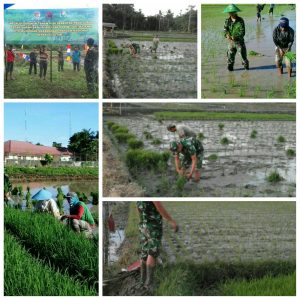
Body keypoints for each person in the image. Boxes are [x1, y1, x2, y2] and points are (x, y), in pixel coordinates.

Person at [137, 201, 178, 292]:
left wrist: (142, 222)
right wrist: (171, 221)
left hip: (143, 226)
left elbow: (138, 209)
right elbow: (160, 208)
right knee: (152, 252)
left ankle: (142, 281)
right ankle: (149, 284)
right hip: (153, 227)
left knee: (144, 251)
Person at [223, 4, 249, 71]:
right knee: (230, 58)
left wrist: (235, 36)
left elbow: (242, 32)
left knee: (244, 58)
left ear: (236, 12)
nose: (231, 13)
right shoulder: (227, 21)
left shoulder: (240, 20)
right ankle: (230, 71)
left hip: (239, 42)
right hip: (231, 43)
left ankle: (247, 70)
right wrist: (227, 35)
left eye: (233, 12)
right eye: (230, 12)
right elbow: (225, 30)